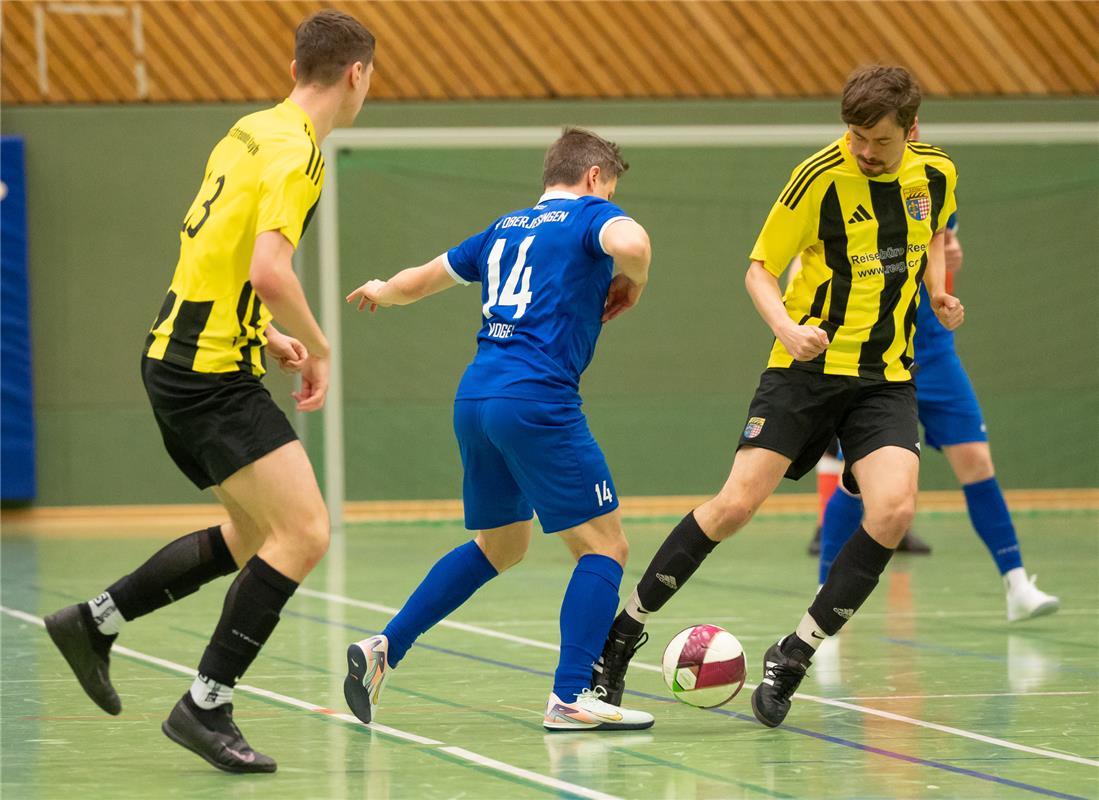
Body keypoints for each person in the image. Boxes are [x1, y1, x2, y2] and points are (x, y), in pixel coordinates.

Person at [42, 11, 376, 773]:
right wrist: (319, 346)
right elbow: (266, 270)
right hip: (208, 375)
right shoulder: (302, 155)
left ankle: (95, 622)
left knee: (254, 535)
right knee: (306, 532)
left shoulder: (251, 128)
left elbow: (211, 254)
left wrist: (265, 335)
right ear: (356, 73)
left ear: (296, 67)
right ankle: (206, 704)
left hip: (178, 355)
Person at [592, 65, 964, 728]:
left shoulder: (934, 172)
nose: (863, 149)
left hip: (885, 378)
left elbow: (931, 233)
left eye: (877, 138)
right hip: (804, 372)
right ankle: (621, 636)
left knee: (893, 510)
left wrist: (936, 291)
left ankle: (794, 654)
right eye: (853, 134)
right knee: (734, 507)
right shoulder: (817, 177)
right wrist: (788, 330)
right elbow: (759, 270)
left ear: (911, 129)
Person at [342, 127, 654, 732]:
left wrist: (381, 288)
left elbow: (417, 282)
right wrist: (634, 278)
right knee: (605, 546)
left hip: (477, 395)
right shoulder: (592, 216)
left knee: (501, 546)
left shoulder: (503, 228)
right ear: (593, 179)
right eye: (609, 188)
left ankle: (385, 648)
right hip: (536, 399)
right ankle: (571, 697)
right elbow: (633, 241)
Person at [816, 211, 1059, 621]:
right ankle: (824, 592)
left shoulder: (937, 188)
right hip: (882, 356)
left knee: (977, 462)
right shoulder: (857, 193)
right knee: (855, 478)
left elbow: (942, 265)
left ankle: (1017, 584)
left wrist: (948, 263)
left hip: (935, 351)